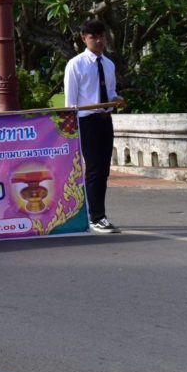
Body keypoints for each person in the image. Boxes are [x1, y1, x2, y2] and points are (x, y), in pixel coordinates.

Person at [64, 19, 126, 234]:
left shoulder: (108, 64)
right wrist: (71, 129)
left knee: (104, 170)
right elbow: (70, 103)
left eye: (101, 37)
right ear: (84, 39)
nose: (99, 41)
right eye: (93, 37)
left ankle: (97, 213)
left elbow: (110, 93)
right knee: (94, 169)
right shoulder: (76, 64)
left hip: (105, 121)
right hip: (86, 121)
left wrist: (117, 99)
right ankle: (97, 217)